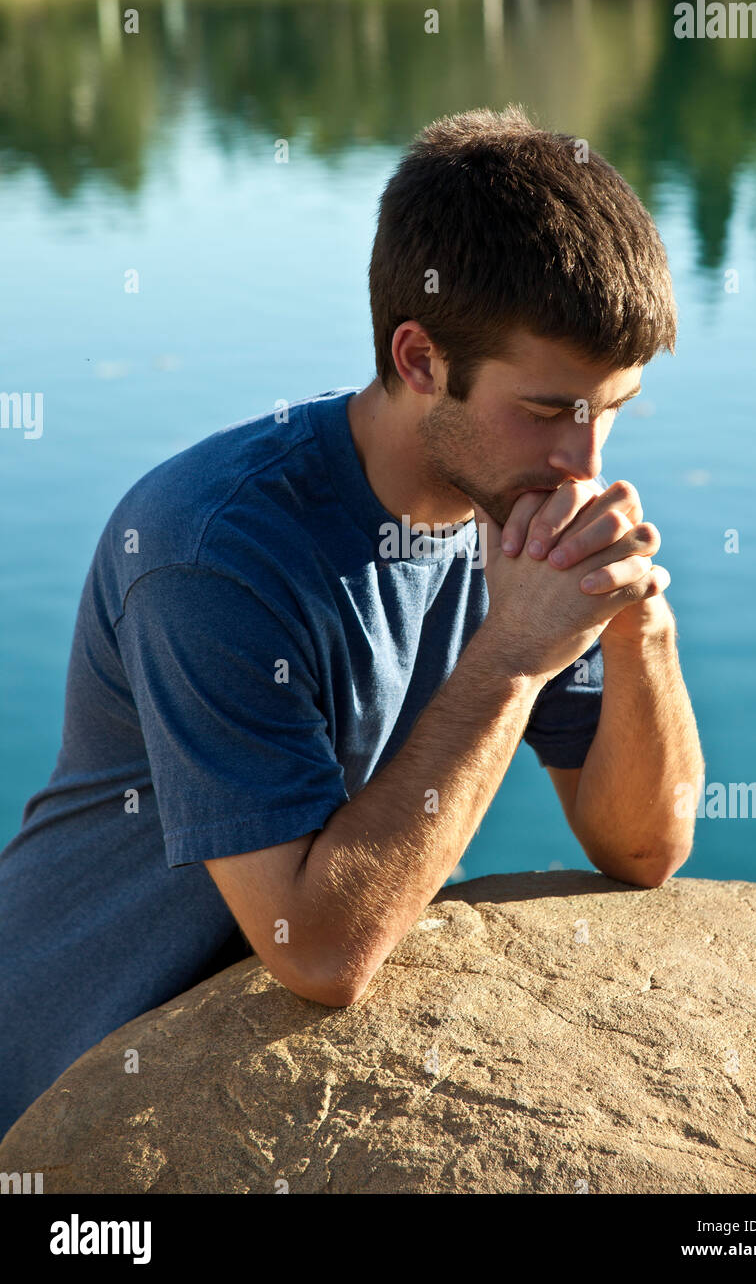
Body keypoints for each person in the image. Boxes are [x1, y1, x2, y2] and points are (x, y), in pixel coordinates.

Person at [0, 104, 703, 1140]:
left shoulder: (517, 515)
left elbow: (644, 846)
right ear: (418, 359)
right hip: (69, 1084)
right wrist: (512, 658)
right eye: (550, 411)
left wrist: (635, 623)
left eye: (615, 407)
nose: (584, 465)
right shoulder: (211, 549)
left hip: (269, 1082)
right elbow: (318, 950)